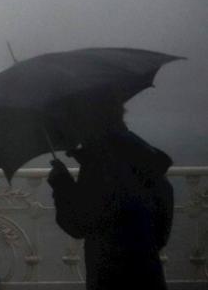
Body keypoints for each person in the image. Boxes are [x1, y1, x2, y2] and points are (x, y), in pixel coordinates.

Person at [46, 94, 174, 290]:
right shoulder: (138, 150)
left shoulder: (100, 163)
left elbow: (78, 224)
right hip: (148, 270)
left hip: (110, 274)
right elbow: (161, 227)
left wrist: (61, 183)